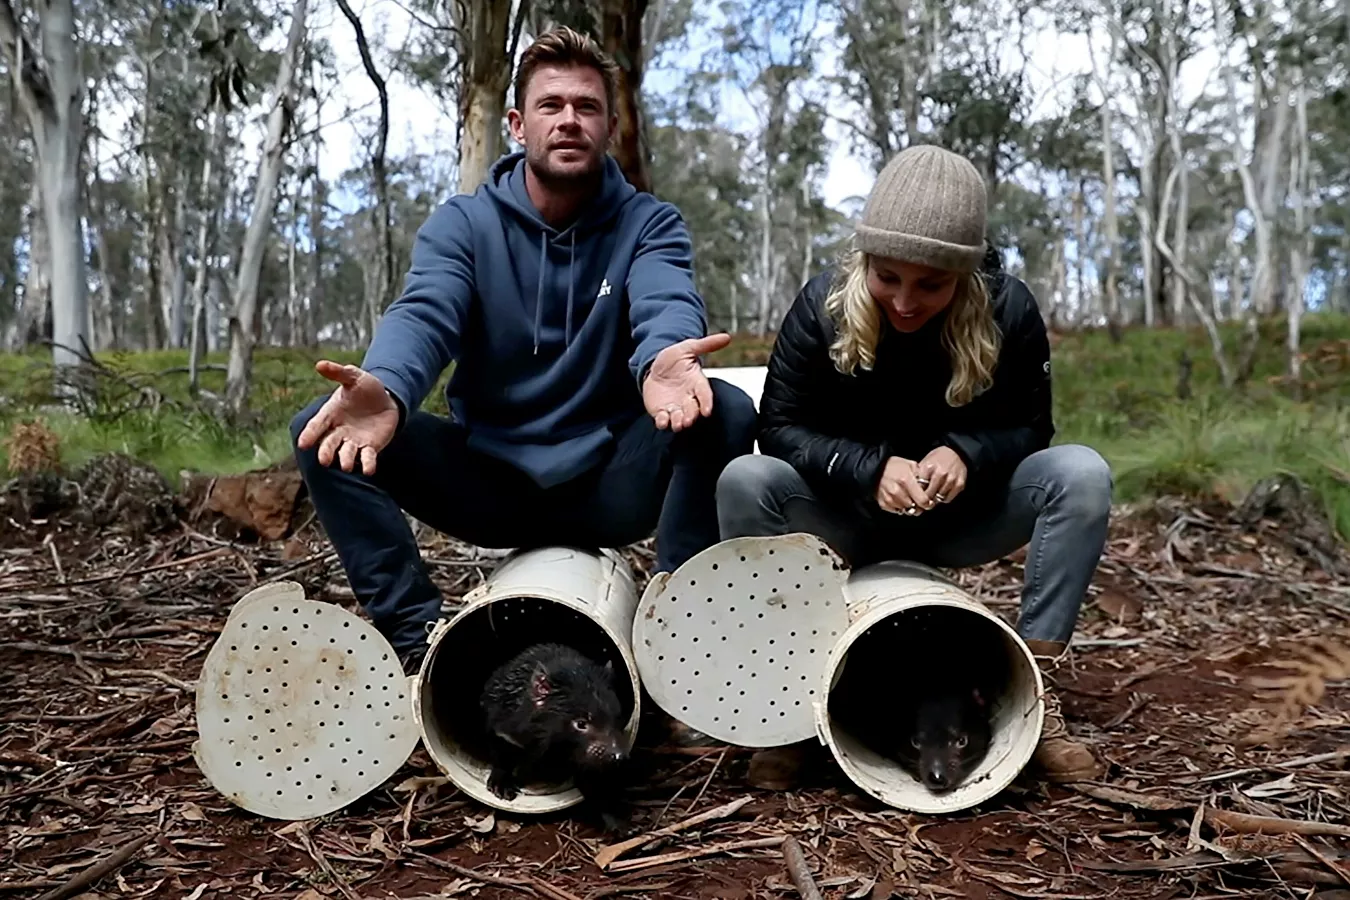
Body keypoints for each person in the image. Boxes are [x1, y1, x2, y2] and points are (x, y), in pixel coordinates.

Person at [290, 27, 757, 674]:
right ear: (517, 123)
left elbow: (664, 299)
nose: (569, 120)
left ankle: (675, 637)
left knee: (724, 410)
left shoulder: (648, 223)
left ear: (611, 125)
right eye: (551, 105)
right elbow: (427, 311)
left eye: (587, 106)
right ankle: (419, 644)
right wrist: (390, 384)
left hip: (608, 482)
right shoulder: (465, 224)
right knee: (321, 429)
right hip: (492, 482)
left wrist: (663, 359)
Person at [715, 143, 1112, 784]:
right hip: (846, 516)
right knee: (746, 479)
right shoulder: (821, 307)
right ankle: (785, 702)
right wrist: (867, 467)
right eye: (887, 277)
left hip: (962, 519)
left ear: (968, 274)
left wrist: (967, 452)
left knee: (1081, 474)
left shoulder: (1009, 310)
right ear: (864, 260)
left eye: (930, 284)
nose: (904, 301)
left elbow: (1032, 429)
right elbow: (778, 428)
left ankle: (1036, 695)